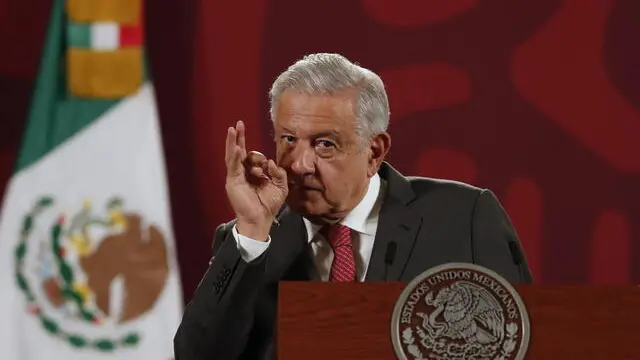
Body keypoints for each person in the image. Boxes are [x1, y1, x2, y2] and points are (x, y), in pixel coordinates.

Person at [173, 53, 532, 360]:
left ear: (374, 152)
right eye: (288, 140)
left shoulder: (463, 219)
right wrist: (251, 231)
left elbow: (525, 342)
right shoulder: (249, 245)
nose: (299, 164)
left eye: (324, 144)